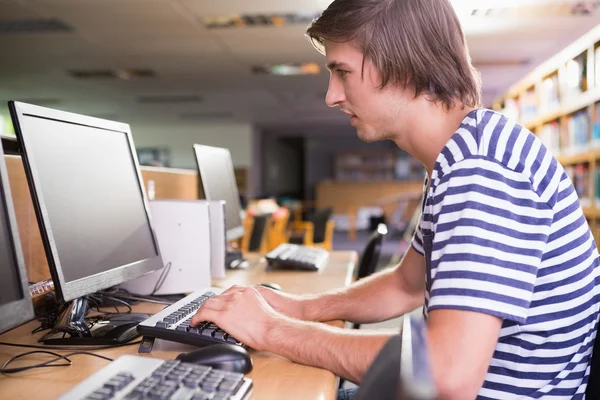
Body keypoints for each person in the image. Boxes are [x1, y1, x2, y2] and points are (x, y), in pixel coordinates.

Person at [192, 0, 600, 398]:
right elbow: (405, 285)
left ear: (404, 66)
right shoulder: (460, 156)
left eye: (342, 71)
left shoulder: (483, 172)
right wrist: (300, 309)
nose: (331, 95)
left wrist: (271, 330)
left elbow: (446, 374)